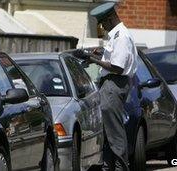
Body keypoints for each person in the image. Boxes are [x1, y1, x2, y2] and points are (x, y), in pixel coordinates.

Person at [73, 2, 138, 171]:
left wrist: (92, 59)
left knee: (114, 132)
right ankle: (109, 166)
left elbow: (118, 67)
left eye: (103, 23)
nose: (103, 27)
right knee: (108, 131)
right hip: (110, 85)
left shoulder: (121, 36)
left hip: (114, 84)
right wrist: (97, 54)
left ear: (111, 18)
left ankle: (120, 167)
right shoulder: (117, 35)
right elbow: (114, 57)